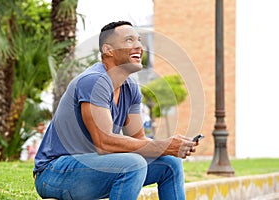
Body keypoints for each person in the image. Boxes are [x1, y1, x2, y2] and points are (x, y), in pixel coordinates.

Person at [33, 21, 200, 200]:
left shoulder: (130, 87)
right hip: (54, 173)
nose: (139, 46)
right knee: (132, 164)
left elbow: (138, 139)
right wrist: (164, 145)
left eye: (139, 40)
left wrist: (170, 147)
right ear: (108, 50)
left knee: (170, 163)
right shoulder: (94, 81)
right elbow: (104, 143)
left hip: (95, 170)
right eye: (129, 40)